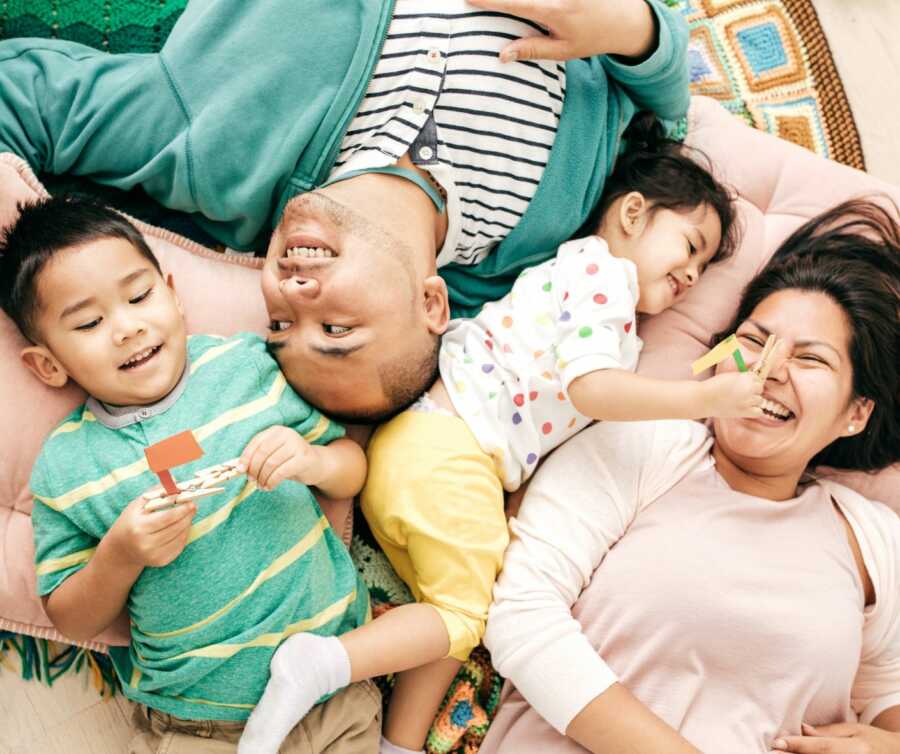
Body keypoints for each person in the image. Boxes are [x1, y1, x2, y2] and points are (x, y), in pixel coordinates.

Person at [238, 119, 750, 754]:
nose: (694, 276)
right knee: (463, 616)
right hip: (448, 450)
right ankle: (320, 664)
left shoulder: (597, 302)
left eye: (704, 267)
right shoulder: (601, 278)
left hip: (432, 454)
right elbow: (592, 390)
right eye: (691, 246)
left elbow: (556, 416)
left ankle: (396, 744)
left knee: (453, 615)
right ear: (634, 213)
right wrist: (703, 399)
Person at [0, 0, 691, 419]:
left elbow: (21, 99)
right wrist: (632, 25)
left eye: (276, 322)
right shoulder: (536, 235)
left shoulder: (211, 159)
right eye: (335, 326)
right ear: (432, 306)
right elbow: (667, 114)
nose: (289, 293)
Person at [476, 199, 900, 754]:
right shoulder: (641, 446)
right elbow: (522, 615)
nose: (767, 370)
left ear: (856, 413)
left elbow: (886, 694)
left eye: (812, 360)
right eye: (753, 341)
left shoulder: (873, 540)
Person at [0, 196, 378, 754]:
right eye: (89, 322)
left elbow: (352, 470)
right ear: (49, 365)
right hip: (198, 723)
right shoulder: (68, 467)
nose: (127, 328)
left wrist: (314, 459)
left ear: (174, 297)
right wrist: (121, 554)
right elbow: (71, 618)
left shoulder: (247, 369)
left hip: (332, 691)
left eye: (139, 296)